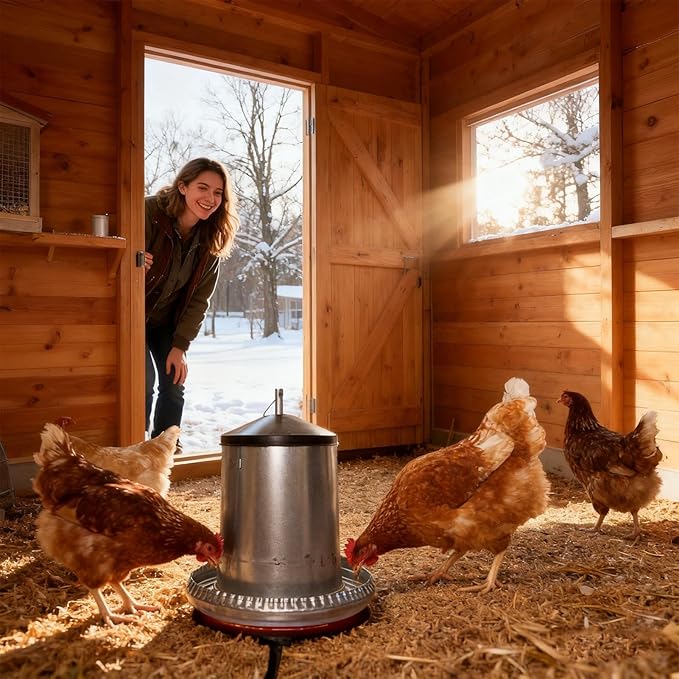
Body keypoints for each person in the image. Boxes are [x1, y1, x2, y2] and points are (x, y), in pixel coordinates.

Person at [144, 157, 239, 450]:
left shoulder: (211, 239)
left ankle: (164, 448)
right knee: (143, 383)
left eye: (218, 192)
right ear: (183, 187)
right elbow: (121, 255)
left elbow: (200, 300)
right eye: (203, 188)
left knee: (174, 383)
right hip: (132, 315)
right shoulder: (149, 212)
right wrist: (133, 261)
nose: (210, 198)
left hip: (166, 323)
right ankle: (134, 449)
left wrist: (180, 346)